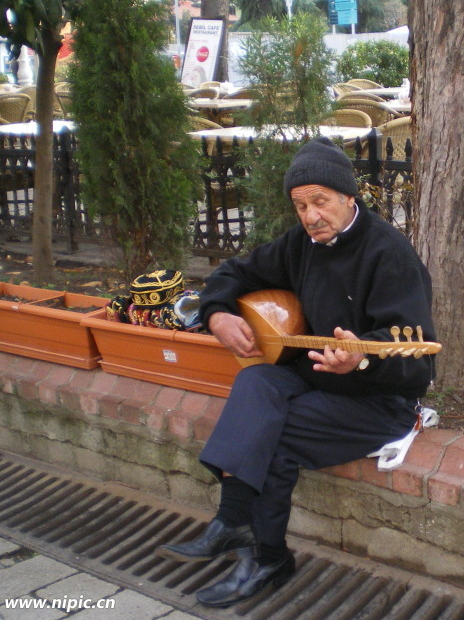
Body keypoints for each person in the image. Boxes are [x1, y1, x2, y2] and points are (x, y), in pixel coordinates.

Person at [156, 136, 436, 608]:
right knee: (255, 380)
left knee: (274, 436)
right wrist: (219, 314)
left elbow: (418, 368)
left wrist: (362, 359)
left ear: (350, 197)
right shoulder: (301, 244)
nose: (310, 216)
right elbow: (233, 274)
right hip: (318, 378)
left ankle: (260, 549)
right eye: (300, 204)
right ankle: (235, 527)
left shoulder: (390, 255)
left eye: (320, 202)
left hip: (377, 402)